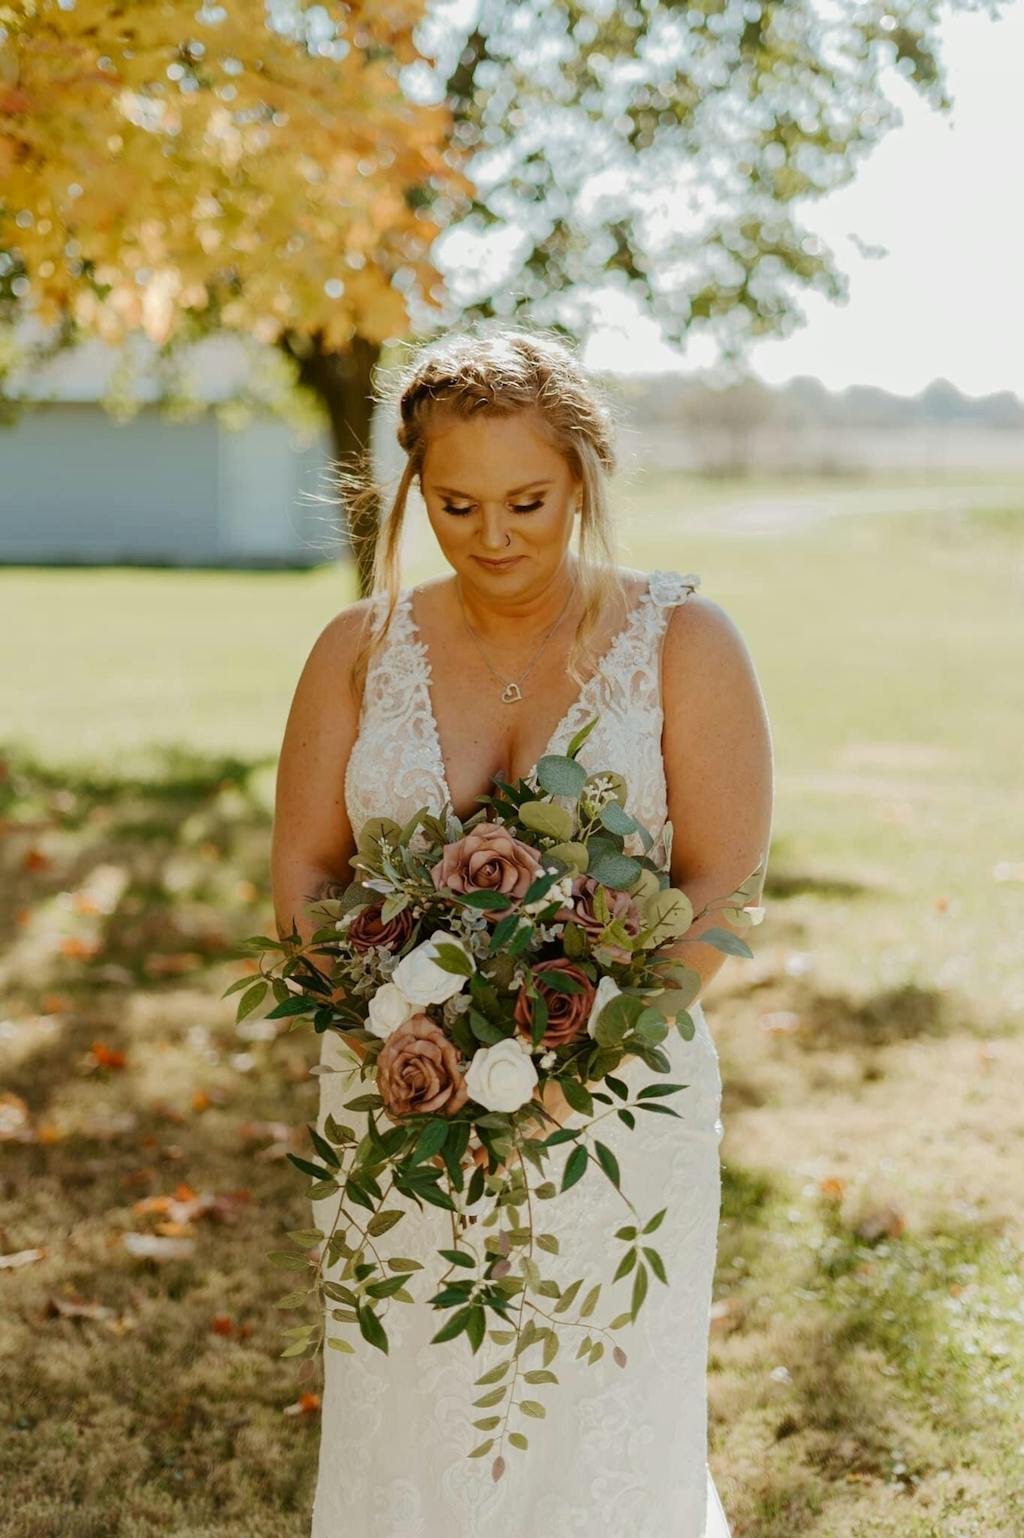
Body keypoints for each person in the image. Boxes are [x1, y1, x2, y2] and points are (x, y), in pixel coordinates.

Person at [271, 324, 773, 1538]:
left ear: (586, 479)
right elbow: (304, 869)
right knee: (414, 1405)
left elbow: (723, 881)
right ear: (410, 490)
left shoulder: (682, 643)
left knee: (603, 1413)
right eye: (454, 503)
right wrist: (392, 1048)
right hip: (398, 1106)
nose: (492, 534)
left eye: (527, 500)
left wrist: (573, 1063)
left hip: (620, 1110)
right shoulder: (356, 649)